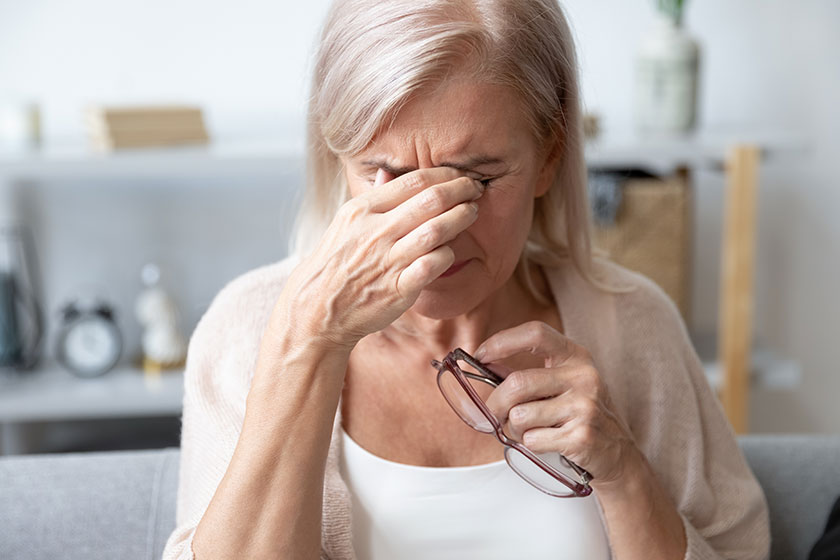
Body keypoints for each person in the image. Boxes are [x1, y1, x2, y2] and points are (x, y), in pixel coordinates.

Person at [163, 1, 771, 558]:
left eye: (476, 180)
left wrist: (624, 471)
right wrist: (308, 343)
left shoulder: (633, 322)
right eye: (385, 175)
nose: (434, 233)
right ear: (336, 154)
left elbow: (739, 549)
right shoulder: (249, 326)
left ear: (550, 153)